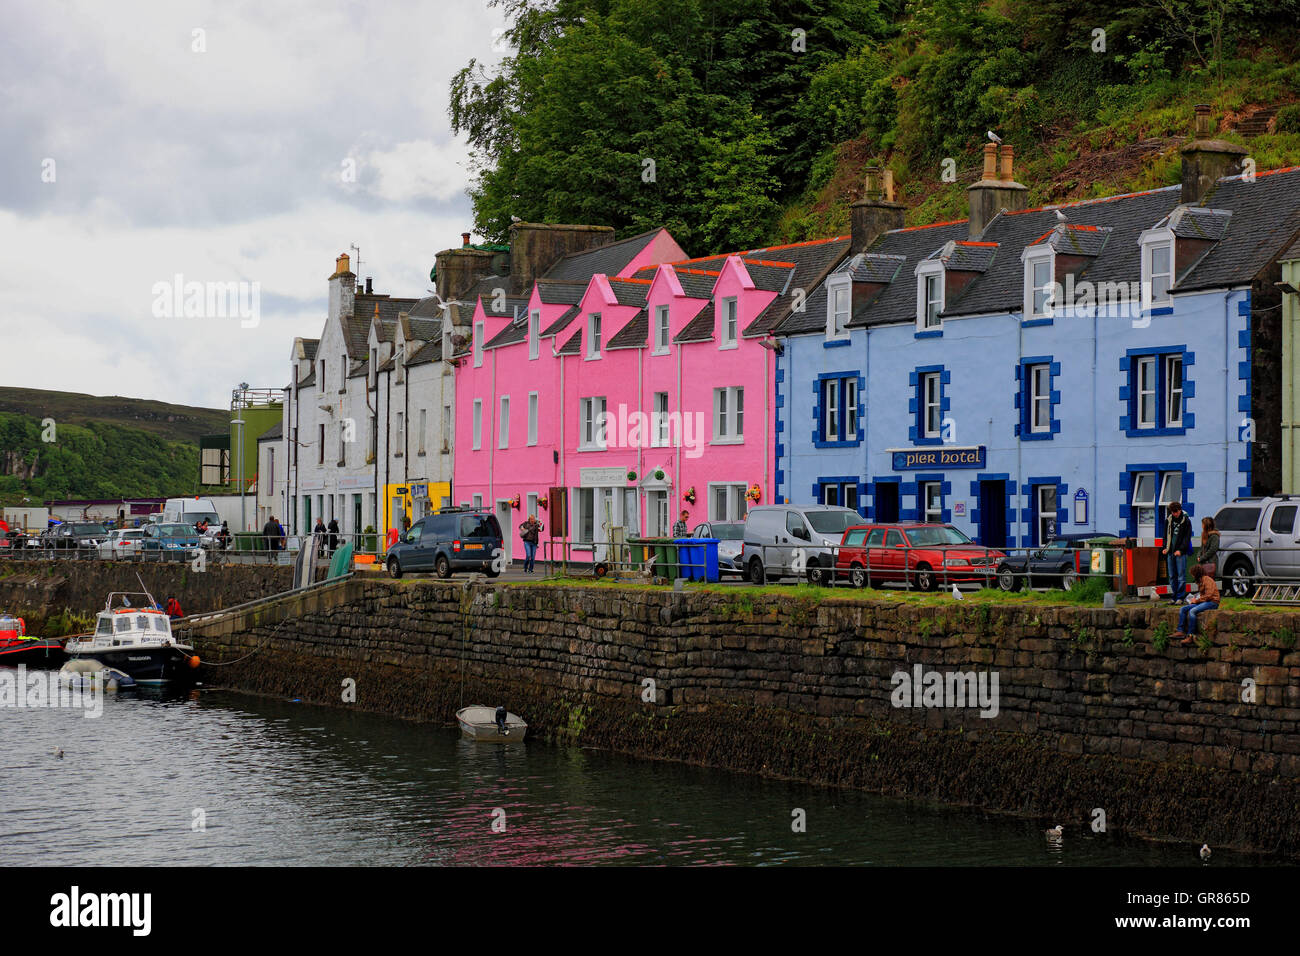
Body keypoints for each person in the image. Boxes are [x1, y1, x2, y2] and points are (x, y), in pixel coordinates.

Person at [1175, 564, 1220, 645]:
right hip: (1204, 601)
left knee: (1192, 611)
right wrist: (1195, 600)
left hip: (1212, 602)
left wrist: (1197, 600)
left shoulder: (1207, 580)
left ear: (1196, 574)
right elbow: (1203, 596)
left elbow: (1209, 595)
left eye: (1192, 574)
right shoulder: (1200, 581)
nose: (1192, 576)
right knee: (1183, 609)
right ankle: (1180, 631)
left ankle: (1190, 636)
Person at [1163, 502, 1192, 604]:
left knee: (1181, 576)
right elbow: (1165, 535)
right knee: (1172, 576)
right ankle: (1174, 596)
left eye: (1176, 511)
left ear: (1180, 510)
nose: (1174, 514)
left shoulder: (1186, 521)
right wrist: (1165, 547)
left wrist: (1181, 550)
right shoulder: (1168, 520)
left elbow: (1187, 538)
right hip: (1170, 552)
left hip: (1180, 552)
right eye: (1172, 512)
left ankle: (1180, 597)